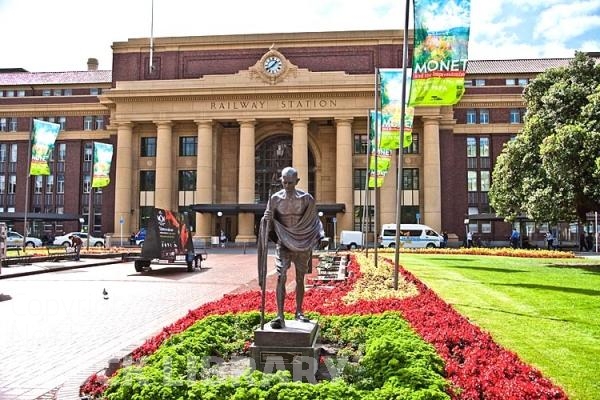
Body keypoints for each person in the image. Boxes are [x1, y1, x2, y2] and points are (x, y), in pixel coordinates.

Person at [258, 167, 323, 329]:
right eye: (284, 182)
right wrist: (267, 220)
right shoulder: (275, 199)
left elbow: (314, 221)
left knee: (300, 278)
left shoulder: (306, 199)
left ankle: (299, 311)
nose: (287, 185)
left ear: (297, 182)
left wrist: (321, 235)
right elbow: (270, 224)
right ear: (281, 180)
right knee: (281, 276)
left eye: (291, 183)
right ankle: (280, 315)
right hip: (283, 243)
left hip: (302, 242)